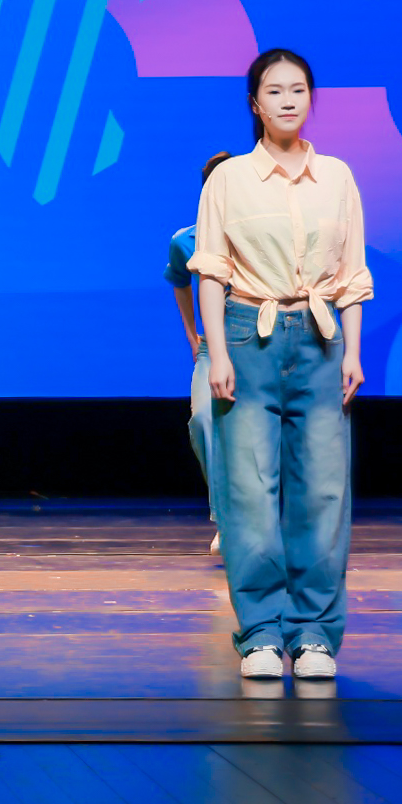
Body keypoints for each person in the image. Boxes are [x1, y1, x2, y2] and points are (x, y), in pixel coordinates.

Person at [192, 49, 370, 682]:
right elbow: (209, 271)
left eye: (298, 89)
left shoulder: (338, 177)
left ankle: (315, 633)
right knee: (248, 492)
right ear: (255, 104)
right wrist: (217, 351)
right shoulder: (229, 179)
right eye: (275, 90)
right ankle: (262, 634)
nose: (288, 100)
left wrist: (353, 351)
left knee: (322, 492)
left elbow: (351, 275)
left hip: (319, 338)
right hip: (249, 335)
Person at [167, 150, 240, 557]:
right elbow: (178, 278)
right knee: (203, 421)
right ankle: (227, 520)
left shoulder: (260, 234)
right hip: (213, 347)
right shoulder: (187, 240)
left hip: (257, 342)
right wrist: (192, 333)